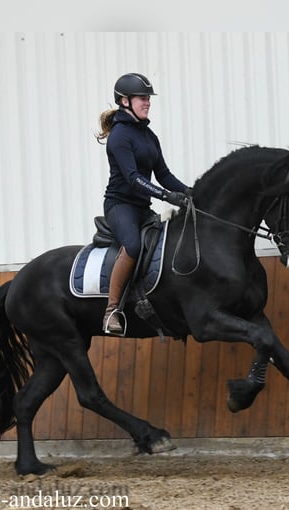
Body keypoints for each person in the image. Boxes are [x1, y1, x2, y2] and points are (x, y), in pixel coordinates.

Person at [96, 72, 191, 336]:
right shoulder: (119, 137)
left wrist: (191, 192)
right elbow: (133, 178)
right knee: (134, 245)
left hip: (141, 208)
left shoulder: (149, 136)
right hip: (120, 206)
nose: (147, 102)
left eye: (148, 98)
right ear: (124, 101)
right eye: (142, 98)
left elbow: (164, 175)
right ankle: (111, 311)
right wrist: (165, 196)